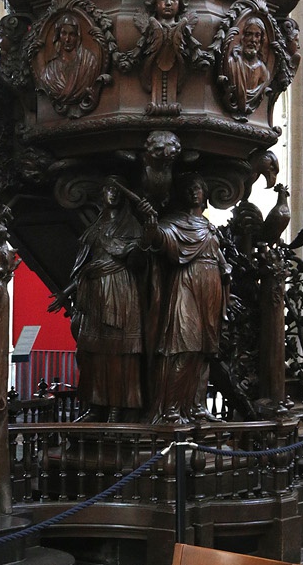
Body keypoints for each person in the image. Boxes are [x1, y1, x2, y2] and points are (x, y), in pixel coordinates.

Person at [144, 176, 229, 422]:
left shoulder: (209, 226)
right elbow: (162, 240)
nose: (194, 192)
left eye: (198, 188)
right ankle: (170, 407)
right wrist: (151, 227)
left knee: (203, 351)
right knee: (182, 347)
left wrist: (225, 268)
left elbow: (217, 254)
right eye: (190, 188)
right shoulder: (176, 222)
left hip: (210, 285)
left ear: (205, 195)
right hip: (186, 282)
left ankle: (196, 407)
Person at [64, 179, 145, 419]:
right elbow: (84, 264)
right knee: (92, 353)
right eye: (108, 189)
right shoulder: (96, 226)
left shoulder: (130, 225)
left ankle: (116, 407)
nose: (112, 194)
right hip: (94, 292)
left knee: (118, 353)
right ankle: (95, 404)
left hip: (119, 288)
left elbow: (138, 260)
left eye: (117, 191)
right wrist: (66, 292)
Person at [38, 13, 98, 112]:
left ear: (78, 36)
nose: (67, 39)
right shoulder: (51, 70)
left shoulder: (88, 61)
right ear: (58, 36)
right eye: (64, 33)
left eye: (72, 34)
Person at [223, 17, 271, 115]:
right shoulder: (233, 63)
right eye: (249, 34)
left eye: (257, 35)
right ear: (243, 37)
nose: (253, 40)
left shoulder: (263, 72)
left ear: (261, 40)